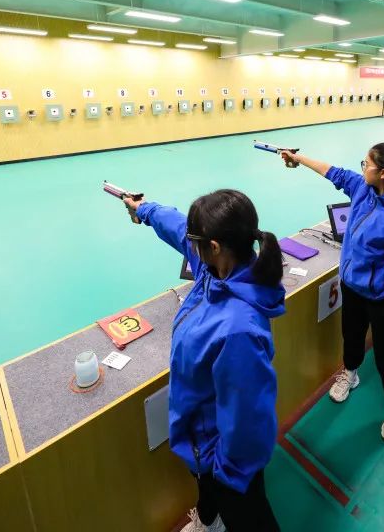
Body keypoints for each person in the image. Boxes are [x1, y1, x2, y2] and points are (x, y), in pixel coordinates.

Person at [123, 189, 284, 531]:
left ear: (214, 246)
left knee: (250, 518)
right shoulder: (215, 269)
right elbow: (176, 226)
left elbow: (247, 421)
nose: (189, 246)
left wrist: (226, 472)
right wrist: (144, 209)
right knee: (208, 493)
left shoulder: (239, 329)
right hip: (201, 443)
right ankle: (209, 519)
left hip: (225, 458)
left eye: (195, 242)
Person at [278, 143, 384, 444]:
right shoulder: (362, 189)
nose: (362, 168)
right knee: (352, 336)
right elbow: (332, 172)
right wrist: (298, 157)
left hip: (380, 297)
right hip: (351, 288)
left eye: (366, 163)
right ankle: (350, 373)